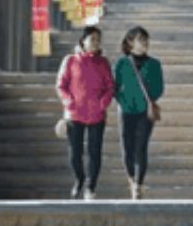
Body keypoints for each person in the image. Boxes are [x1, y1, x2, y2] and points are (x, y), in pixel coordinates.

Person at [55, 26, 114, 200]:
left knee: (95, 152)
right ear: (83, 41)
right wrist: (68, 101)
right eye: (92, 39)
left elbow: (110, 86)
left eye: (98, 39)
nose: (96, 43)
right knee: (75, 153)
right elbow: (61, 85)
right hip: (74, 113)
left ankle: (90, 187)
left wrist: (103, 102)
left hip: (97, 114)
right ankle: (79, 178)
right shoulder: (70, 60)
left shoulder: (103, 62)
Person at [113, 26, 165, 200]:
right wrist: (124, 100)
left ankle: (138, 184)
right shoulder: (121, 63)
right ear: (130, 42)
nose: (145, 43)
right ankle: (131, 178)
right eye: (141, 40)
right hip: (125, 110)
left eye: (146, 40)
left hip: (145, 111)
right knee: (127, 148)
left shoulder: (154, 64)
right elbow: (114, 86)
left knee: (141, 147)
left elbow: (159, 87)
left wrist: (147, 99)